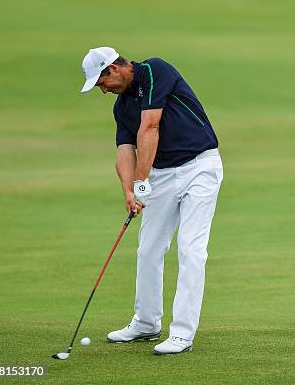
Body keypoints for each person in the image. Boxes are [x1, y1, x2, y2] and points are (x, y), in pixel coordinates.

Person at [80, 47, 223, 355]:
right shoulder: (121, 108)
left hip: (200, 166)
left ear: (114, 69)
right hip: (162, 175)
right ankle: (146, 323)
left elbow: (150, 128)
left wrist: (142, 182)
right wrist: (130, 191)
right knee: (148, 248)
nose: (102, 90)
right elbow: (124, 151)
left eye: (101, 83)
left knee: (191, 249)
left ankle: (182, 334)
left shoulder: (154, 71)